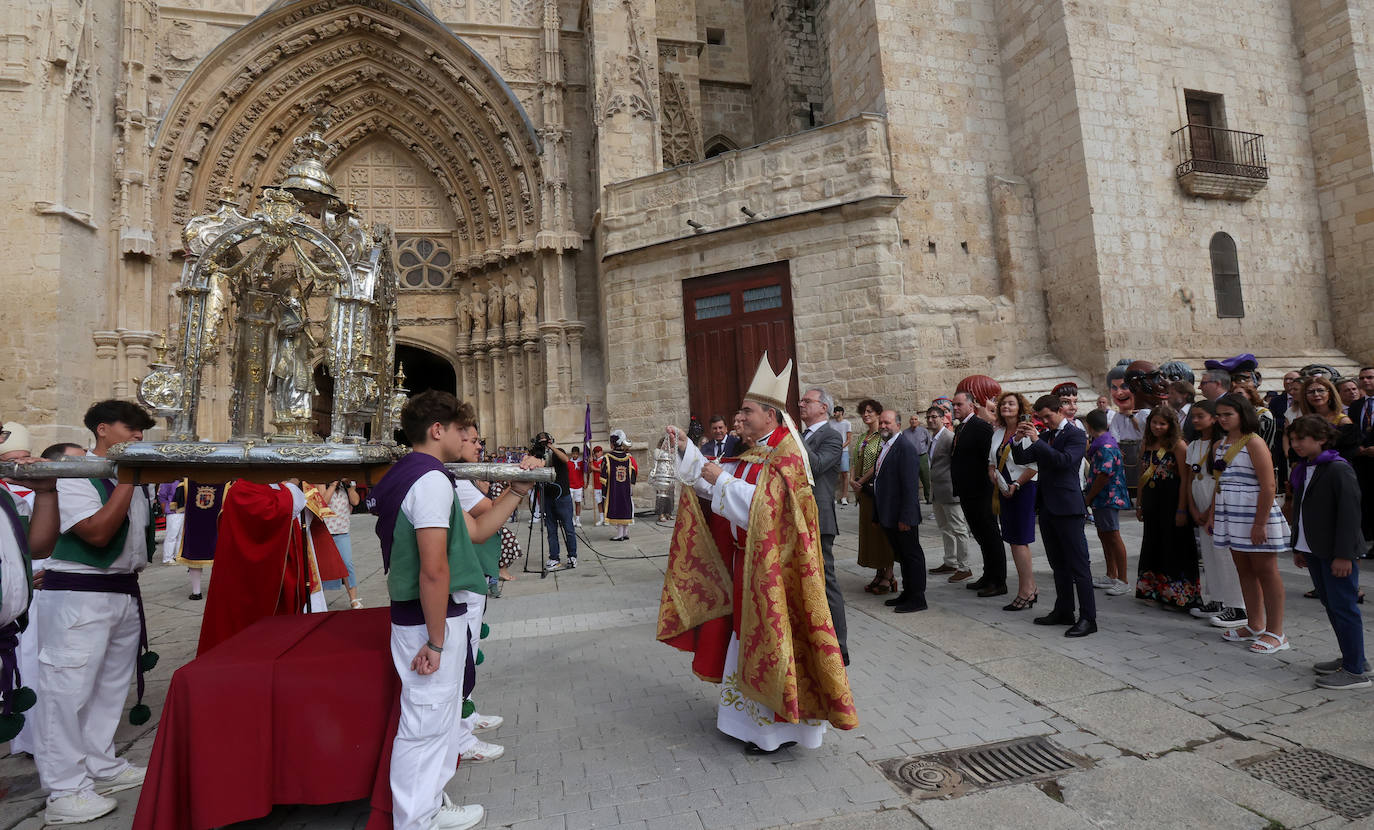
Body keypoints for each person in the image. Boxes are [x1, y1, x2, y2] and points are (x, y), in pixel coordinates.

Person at [658, 354, 856, 753]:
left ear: (770, 415)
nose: (740, 418)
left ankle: (776, 732)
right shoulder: (752, 452)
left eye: (747, 411)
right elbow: (716, 485)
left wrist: (722, 480)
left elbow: (771, 511)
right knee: (746, 642)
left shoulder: (788, 456)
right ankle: (747, 722)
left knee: (775, 646)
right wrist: (686, 452)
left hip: (778, 573)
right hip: (745, 565)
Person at [366, 391, 540, 830]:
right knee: (424, 724)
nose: (469, 437)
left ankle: (430, 803)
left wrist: (518, 490)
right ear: (438, 430)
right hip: (427, 619)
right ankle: (415, 819)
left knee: (440, 719)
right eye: (463, 429)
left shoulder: (424, 475)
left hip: (439, 615)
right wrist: (436, 639)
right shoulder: (426, 480)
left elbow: (478, 529)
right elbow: (433, 569)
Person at [35, 400, 157, 826]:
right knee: (67, 692)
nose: (140, 436)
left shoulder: (135, 480)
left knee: (110, 687)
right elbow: (98, 533)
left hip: (122, 591)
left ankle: (100, 766)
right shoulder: (75, 472)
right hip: (80, 594)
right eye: (132, 428)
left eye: (143, 430)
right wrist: (128, 478)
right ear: (103, 430)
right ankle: (64, 790)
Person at [1287, 416, 1369, 689]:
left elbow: (1349, 515)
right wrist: (1298, 546)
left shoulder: (1337, 469)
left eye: (1302, 439)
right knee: (1332, 605)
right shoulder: (1305, 467)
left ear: (1321, 439)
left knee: (1344, 608)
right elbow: (1300, 510)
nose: (1296, 444)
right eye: (1293, 439)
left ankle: (1356, 671)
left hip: (1336, 552)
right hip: (1313, 549)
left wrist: (1345, 555)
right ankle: (1351, 657)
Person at [1209, 394, 1291, 654]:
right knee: (1243, 569)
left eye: (1227, 415)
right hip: (1230, 514)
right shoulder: (1219, 445)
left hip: (1253, 514)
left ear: (1242, 415)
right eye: (1219, 415)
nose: (1222, 419)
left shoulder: (1254, 443)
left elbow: (1268, 485)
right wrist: (1213, 513)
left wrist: (1260, 523)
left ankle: (1277, 633)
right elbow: (1218, 483)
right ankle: (1255, 624)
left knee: (1266, 571)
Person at [196, 479, 312, 655]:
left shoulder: (277, 485)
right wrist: (293, 486)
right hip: (251, 583)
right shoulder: (243, 488)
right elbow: (275, 511)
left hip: (282, 577)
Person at [1013, 395, 1096, 637]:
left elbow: (1064, 462)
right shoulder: (1048, 436)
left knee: (1079, 566)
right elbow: (1022, 459)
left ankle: (1088, 618)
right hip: (1048, 508)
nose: (1045, 421)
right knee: (1057, 564)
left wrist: (1037, 440)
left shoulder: (1075, 434)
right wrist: (1018, 439)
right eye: (1041, 418)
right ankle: (1064, 610)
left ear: (1060, 411)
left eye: (1048, 416)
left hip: (1069, 508)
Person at [0, 418, 59, 750]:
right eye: (10, 460)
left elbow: (35, 546)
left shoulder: (14, 498)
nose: (17, 466)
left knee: (31, 664)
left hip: (24, 597)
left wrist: (48, 490)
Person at [1183, 401, 1247, 628]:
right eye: (1194, 416)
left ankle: (1237, 605)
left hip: (1216, 505)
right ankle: (1218, 599)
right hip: (1199, 505)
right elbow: (1190, 477)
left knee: (1224, 555)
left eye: (1201, 416)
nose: (1195, 420)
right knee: (1209, 555)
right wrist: (1192, 508)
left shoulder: (1221, 444)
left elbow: (1219, 480)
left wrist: (1210, 510)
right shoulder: (1193, 446)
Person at [798, 387, 848, 661]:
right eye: (801, 400)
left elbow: (815, 466)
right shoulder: (805, 436)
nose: (801, 404)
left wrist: (794, 437)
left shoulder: (831, 435)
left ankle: (840, 645)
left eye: (807, 401)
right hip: (798, 516)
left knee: (826, 581)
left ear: (824, 408)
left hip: (819, 516)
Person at [1133, 406, 1200, 610]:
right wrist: (1140, 501)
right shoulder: (1147, 443)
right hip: (1152, 501)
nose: (1157, 427)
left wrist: (1182, 509)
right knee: (1153, 544)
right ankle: (1152, 590)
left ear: (1171, 425)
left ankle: (1177, 596)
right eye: (1154, 423)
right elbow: (1142, 474)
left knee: (1174, 547)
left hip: (1172, 502)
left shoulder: (1179, 446)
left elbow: (1184, 480)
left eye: (1162, 423)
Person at [950, 391, 1007, 595]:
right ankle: (988, 575)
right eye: (953, 405)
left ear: (971, 405)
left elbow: (990, 459)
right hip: (967, 491)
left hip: (981, 491)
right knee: (980, 535)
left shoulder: (980, 426)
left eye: (958, 404)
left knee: (990, 535)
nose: (955, 408)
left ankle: (998, 581)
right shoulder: (961, 427)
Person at [873, 409, 927, 613]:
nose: (883, 426)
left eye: (887, 422)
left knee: (912, 555)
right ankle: (908, 591)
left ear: (897, 424)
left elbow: (910, 486)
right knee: (902, 555)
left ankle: (917, 597)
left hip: (903, 516)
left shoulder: (904, 447)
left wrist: (906, 516)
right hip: (890, 514)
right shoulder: (887, 445)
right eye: (881, 423)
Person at [987, 392, 1037, 607]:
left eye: (1011, 404)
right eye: (1003, 404)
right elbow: (991, 461)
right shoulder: (998, 433)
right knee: (1012, 540)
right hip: (1004, 489)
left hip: (1023, 489)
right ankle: (1030, 587)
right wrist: (994, 477)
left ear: (1020, 408)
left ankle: (1026, 591)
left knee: (1019, 541)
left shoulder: (1026, 431)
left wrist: (1017, 485)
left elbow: (1034, 466)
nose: (1006, 406)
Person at [1083, 410, 1130, 596]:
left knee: (1113, 535)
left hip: (1108, 496)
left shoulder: (1105, 446)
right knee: (1104, 534)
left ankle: (1123, 579)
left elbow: (1104, 474)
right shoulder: (1102, 442)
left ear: (1089, 425)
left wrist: (1089, 496)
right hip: (1102, 497)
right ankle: (1111, 574)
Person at [849, 399, 894, 593]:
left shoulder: (882, 435)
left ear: (878, 413)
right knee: (870, 533)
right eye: (863, 412)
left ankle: (889, 575)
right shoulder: (862, 436)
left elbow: (879, 461)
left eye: (870, 411)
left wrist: (860, 481)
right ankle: (878, 571)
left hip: (876, 491)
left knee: (883, 533)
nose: (866, 415)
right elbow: (854, 459)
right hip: (863, 492)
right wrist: (852, 479)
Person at [925, 406, 973, 582]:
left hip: (949, 490)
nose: (931, 420)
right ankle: (950, 561)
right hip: (937, 490)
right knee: (945, 528)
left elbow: (957, 462)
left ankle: (964, 566)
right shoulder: (932, 438)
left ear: (943, 418)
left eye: (934, 417)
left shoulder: (949, 437)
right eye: (928, 417)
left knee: (959, 529)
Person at [176, 480, 226, 601]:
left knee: (194, 559)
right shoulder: (226, 484)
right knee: (220, 560)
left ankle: (196, 592)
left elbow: (178, 505)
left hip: (194, 528)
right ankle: (219, 590)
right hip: (217, 528)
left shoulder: (186, 483)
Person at [534, 434, 578, 567]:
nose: (543, 445)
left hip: (562, 496)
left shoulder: (558, 453)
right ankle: (554, 557)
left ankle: (572, 556)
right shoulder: (538, 456)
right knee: (551, 530)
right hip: (548, 497)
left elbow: (565, 459)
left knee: (568, 528)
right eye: (541, 443)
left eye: (545, 442)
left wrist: (551, 447)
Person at [319, 479, 362, 608]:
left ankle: (353, 599)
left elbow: (355, 501)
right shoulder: (321, 482)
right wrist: (333, 484)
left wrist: (349, 486)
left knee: (347, 564)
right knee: (322, 567)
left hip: (342, 531)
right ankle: (317, 600)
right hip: (324, 532)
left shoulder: (347, 484)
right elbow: (322, 503)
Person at [602, 430, 638, 542]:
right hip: (625, 488)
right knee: (625, 507)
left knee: (617, 508)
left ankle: (619, 534)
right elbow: (633, 474)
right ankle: (625, 533)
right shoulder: (628, 457)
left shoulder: (607, 457)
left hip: (614, 489)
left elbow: (603, 477)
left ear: (612, 444)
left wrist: (604, 492)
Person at [902, 412, 933, 504]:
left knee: (926, 479)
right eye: (912, 419)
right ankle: (913, 499)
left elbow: (929, 442)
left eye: (915, 419)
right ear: (909, 421)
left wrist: (926, 452)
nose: (914, 421)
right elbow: (903, 445)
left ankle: (928, 498)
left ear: (918, 421)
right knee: (912, 479)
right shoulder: (905, 432)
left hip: (922, 456)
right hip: (910, 458)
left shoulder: (924, 431)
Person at [158, 480, 185, 566]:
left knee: (181, 535)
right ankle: (167, 558)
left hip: (184, 511)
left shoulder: (186, 479)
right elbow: (162, 496)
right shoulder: (168, 480)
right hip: (173, 511)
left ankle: (178, 556)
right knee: (172, 536)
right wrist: (166, 509)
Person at [832, 405, 853, 506]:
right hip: (833, 452)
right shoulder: (831, 423)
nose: (834, 413)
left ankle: (844, 497)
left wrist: (841, 447)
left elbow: (849, 439)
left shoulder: (847, 423)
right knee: (833, 474)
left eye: (836, 412)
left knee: (844, 474)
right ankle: (833, 497)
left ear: (841, 412)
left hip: (843, 451)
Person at [567, 446, 585, 527]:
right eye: (573, 454)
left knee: (578, 502)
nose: (575, 455)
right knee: (569, 503)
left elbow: (587, 471)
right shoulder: (568, 463)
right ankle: (571, 519)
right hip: (570, 486)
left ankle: (577, 519)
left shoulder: (581, 463)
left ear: (578, 454)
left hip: (579, 486)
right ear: (571, 454)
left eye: (576, 454)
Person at [590, 445, 606, 526]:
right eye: (595, 452)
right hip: (596, 485)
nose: (596, 454)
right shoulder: (594, 461)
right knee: (599, 502)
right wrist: (590, 463)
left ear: (601, 452)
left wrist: (594, 468)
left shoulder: (604, 460)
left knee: (605, 502)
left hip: (603, 485)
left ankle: (606, 518)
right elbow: (589, 470)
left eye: (598, 452)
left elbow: (603, 470)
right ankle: (601, 518)